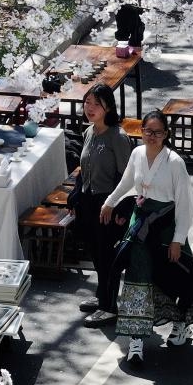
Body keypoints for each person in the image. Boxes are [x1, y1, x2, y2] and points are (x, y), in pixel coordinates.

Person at [100, 111, 193, 366]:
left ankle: (181, 325)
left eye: (157, 132)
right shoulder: (137, 154)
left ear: (166, 134)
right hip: (141, 225)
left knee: (175, 275)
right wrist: (110, 202)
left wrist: (178, 240)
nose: (152, 136)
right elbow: (127, 181)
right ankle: (136, 340)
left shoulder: (175, 162)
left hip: (166, 226)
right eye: (148, 131)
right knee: (137, 277)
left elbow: (185, 203)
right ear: (141, 131)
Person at [71, 84, 132, 327]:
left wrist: (119, 207)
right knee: (95, 252)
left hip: (108, 204)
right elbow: (83, 168)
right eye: (87, 103)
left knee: (108, 256)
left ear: (108, 107)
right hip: (89, 202)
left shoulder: (118, 137)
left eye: (96, 104)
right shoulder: (89, 132)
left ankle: (109, 307)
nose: (90, 108)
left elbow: (127, 176)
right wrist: (76, 194)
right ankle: (101, 296)